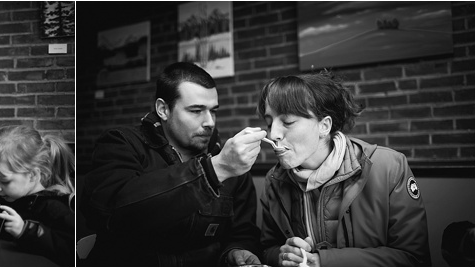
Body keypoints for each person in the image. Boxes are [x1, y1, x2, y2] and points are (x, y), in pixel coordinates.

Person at [81, 62, 266, 266]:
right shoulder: (121, 144)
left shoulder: (230, 162)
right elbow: (111, 213)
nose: (210, 122)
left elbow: (242, 232)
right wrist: (213, 171)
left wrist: (238, 251)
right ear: (163, 109)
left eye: (213, 111)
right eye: (196, 110)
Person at [257, 71, 431, 266]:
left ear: (324, 126)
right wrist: (282, 256)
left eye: (287, 122)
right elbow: (266, 249)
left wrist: (325, 262)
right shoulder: (275, 180)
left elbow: (414, 259)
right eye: (269, 123)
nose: (273, 134)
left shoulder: (389, 167)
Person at [0, 125, 75, 266]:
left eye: (5, 181)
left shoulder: (55, 206)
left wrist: (25, 231)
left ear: (32, 175)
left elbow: (70, 253)